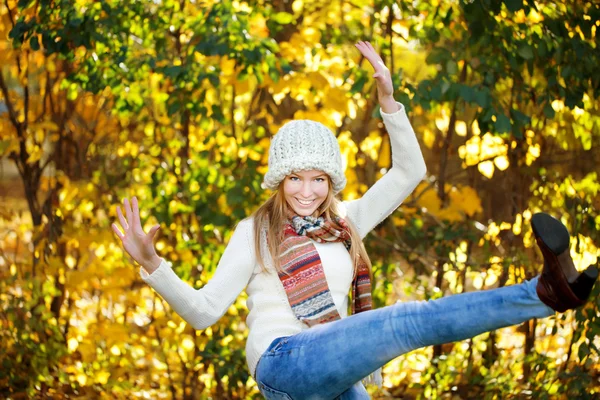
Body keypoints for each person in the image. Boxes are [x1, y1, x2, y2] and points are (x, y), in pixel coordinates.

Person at [112, 41, 598, 400]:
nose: (307, 191)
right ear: (279, 181)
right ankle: (545, 292)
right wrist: (154, 264)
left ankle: (553, 292)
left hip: (334, 368)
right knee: (407, 321)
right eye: (295, 179)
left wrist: (389, 102)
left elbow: (410, 171)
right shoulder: (255, 231)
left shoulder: (347, 222)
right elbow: (203, 312)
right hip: (283, 362)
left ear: (332, 181)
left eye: (318, 179)